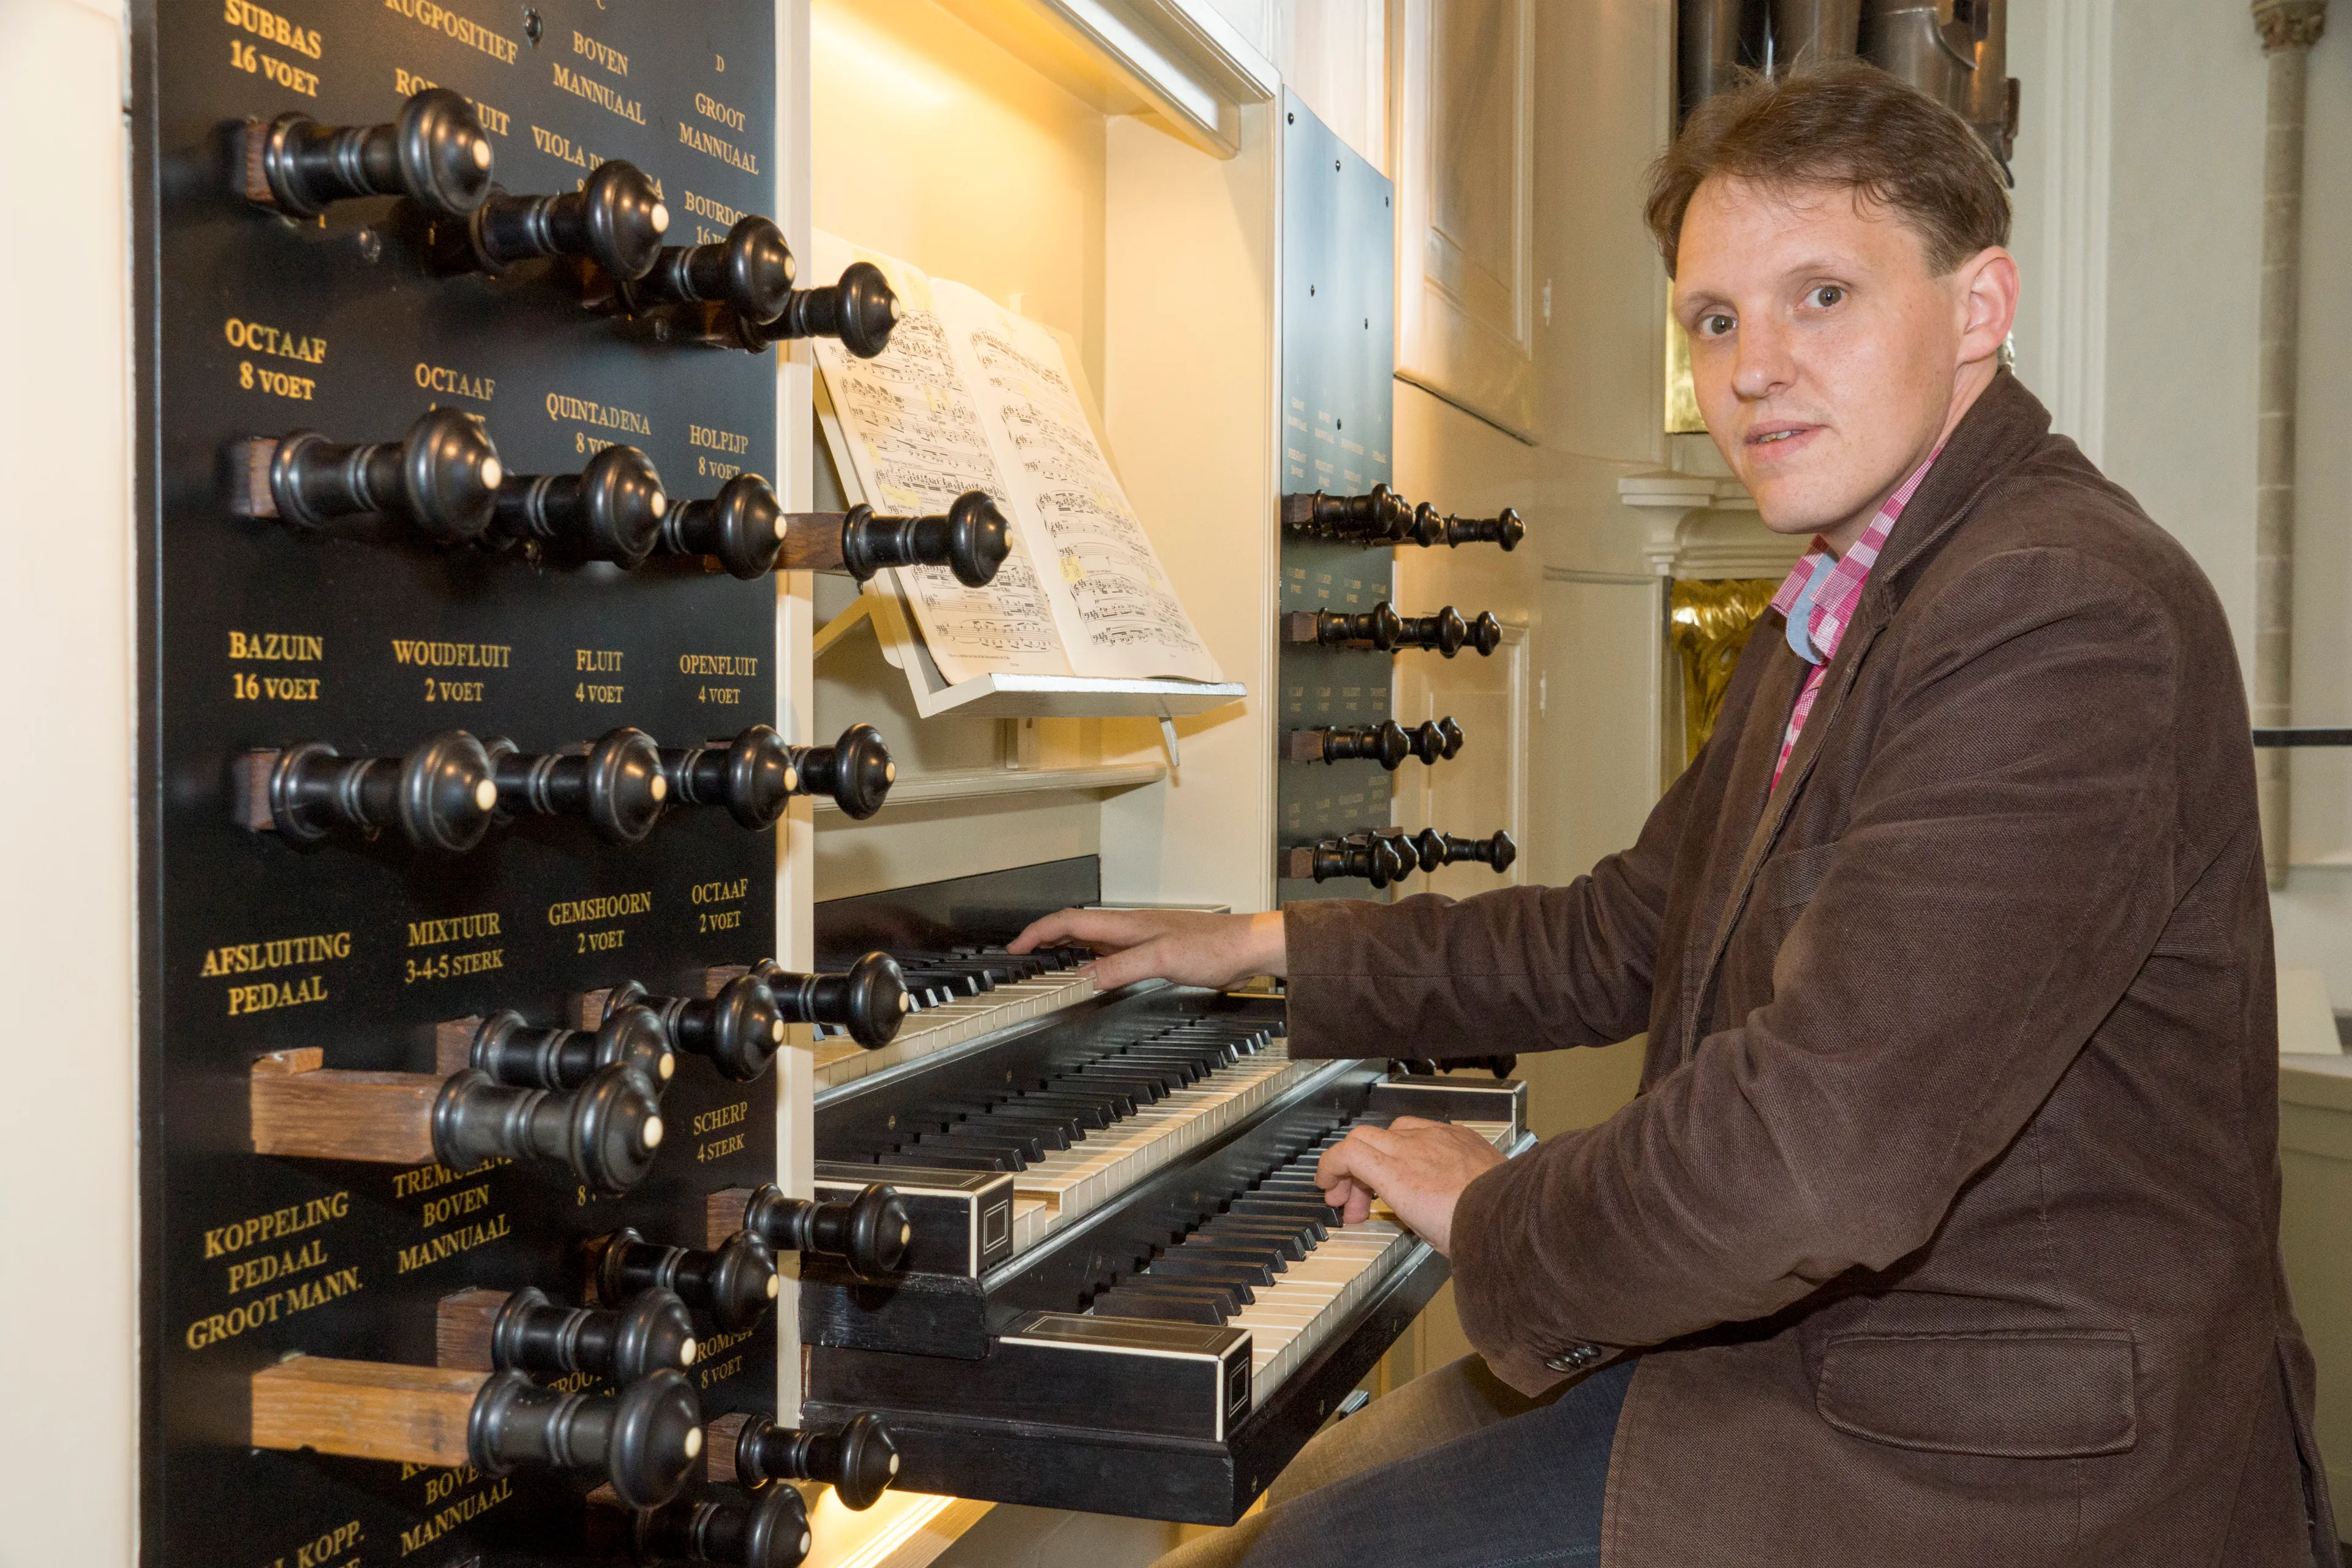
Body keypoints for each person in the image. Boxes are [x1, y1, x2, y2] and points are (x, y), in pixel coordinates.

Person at [1009, 59, 2340, 1568]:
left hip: (1991, 1452)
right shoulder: (1844, 590)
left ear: (1980, 307)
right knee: (1309, 1501)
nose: (1751, 367)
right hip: (1817, 1348)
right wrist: (1262, 942)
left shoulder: (2060, 609)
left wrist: (1504, 1209)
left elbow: (1816, 1152)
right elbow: (1630, 927)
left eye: (1820, 295)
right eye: (1714, 319)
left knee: (1317, 1551)